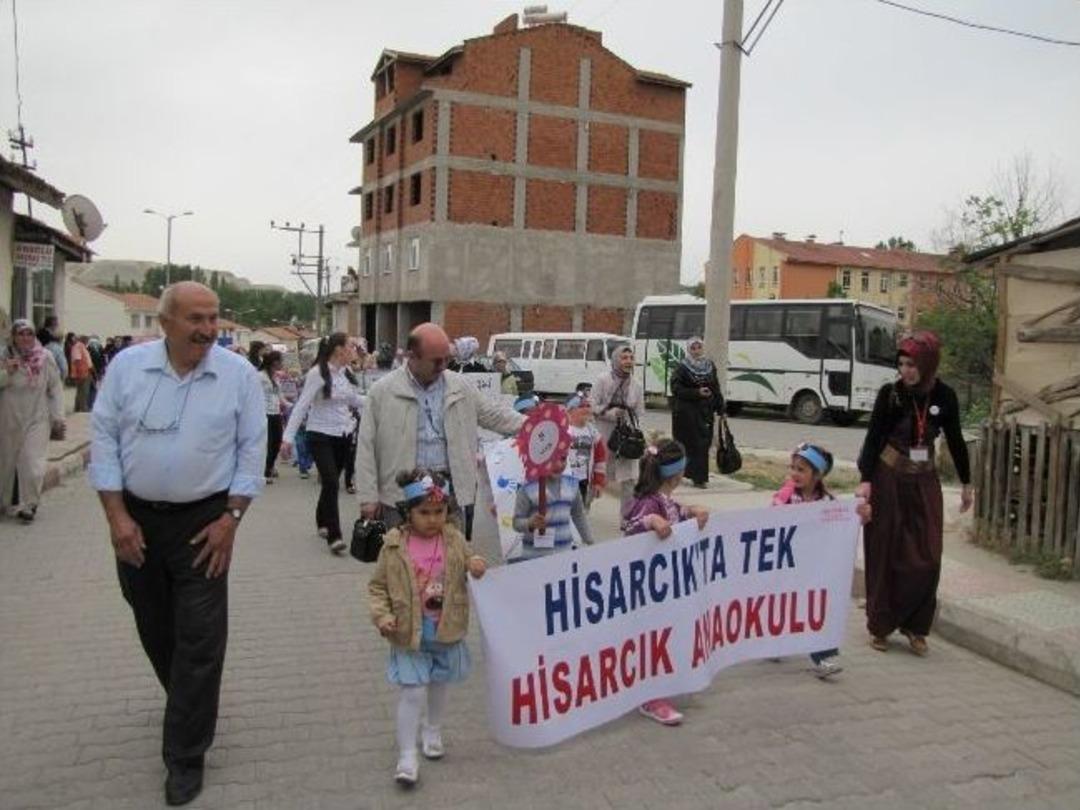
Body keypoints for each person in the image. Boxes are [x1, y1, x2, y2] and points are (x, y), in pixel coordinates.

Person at [88, 282, 266, 806]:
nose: (208, 330)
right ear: (165, 322)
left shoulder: (238, 377)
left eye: (214, 319)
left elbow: (251, 450)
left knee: (201, 638)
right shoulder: (126, 368)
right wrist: (116, 516)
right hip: (136, 522)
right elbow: (103, 440)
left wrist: (232, 518)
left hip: (206, 523)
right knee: (154, 624)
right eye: (196, 319)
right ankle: (187, 701)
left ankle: (185, 756)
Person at [856, 330, 973, 656]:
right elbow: (874, 436)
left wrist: (967, 483)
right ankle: (880, 626)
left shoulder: (945, 396)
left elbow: (956, 440)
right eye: (902, 363)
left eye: (912, 364)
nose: (905, 371)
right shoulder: (890, 394)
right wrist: (866, 479)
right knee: (885, 551)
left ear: (928, 364)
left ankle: (915, 627)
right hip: (888, 478)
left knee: (928, 555)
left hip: (924, 481)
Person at [368, 469, 487, 787]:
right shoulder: (393, 545)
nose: (432, 519)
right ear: (407, 513)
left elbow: (470, 561)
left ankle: (432, 729)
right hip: (408, 633)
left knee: (439, 685)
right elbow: (377, 588)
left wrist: (476, 565)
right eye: (424, 513)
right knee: (413, 691)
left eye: (439, 512)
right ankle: (407, 755)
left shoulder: (454, 540)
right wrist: (382, 617)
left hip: (446, 629)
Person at [357, 323, 524, 533]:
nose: (443, 366)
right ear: (412, 356)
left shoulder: (461, 386)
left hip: (449, 494)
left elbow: (494, 415)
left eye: (447, 359)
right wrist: (368, 497)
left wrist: (537, 425)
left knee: (452, 560)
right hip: (402, 497)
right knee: (405, 562)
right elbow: (365, 447)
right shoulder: (382, 391)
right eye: (436, 361)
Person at [622, 439, 709, 725]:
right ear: (678, 473)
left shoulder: (665, 500)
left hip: (666, 588)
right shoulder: (648, 503)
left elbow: (674, 513)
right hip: (647, 590)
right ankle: (649, 697)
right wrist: (649, 523)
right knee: (651, 639)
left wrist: (691, 511)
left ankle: (662, 685)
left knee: (666, 636)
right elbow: (631, 528)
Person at [771, 443, 871, 679]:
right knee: (783, 606)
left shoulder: (827, 502)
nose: (795, 473)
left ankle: (823, 656)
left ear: (817, 474)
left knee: (815, 610)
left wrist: (860, 517)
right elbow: (769, 521)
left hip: (813, 570)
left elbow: (843, 526)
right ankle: (774, 642)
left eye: (802, 469)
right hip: (786, 565)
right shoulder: (785, 497)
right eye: (793, 468)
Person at [282, 333, 361, 554]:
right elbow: (301, 406)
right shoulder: (317, 373)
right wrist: (287, 439)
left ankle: (322, 520)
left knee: (331, 481)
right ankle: (335, 536)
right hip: (320, 434)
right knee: (331, 482)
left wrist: (378, 399)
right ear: (338, 349)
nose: (354, 350)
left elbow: (354, 400)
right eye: (351, 346)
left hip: (344, 433)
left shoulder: (347, 372)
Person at [0, 319, 65, 523]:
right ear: (13, 337)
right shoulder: (4, 356)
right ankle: (5, 502)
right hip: (8, 417)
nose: (25, 338)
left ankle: (30, 504)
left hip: (37, 417)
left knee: (32, 461)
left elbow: (55, 388)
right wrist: (6, 372)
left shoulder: (45, 358)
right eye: (21, 334)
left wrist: (58, 417)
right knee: (6, 462)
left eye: (29, 333)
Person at [511, 419, 594, 562]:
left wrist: (590, 542)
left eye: (563, 459)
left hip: (565, 556)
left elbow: (579, 515)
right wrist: (530, 523)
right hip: (534, 559)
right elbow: (516, 522)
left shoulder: (572, 484)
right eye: (552, 459)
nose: (558, 464)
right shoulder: (528, 487)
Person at [592, 344, 645, 511]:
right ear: (616, 359)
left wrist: (637, 433)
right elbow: (592, 405)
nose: (628, 361)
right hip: (606, 436)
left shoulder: (636, 384)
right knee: (597, 475)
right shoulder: (603, 380)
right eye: (624, 358)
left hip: (626, 439)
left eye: (631, 358)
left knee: (629, 479)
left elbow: (639, 412)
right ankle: (583, 511)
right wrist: (609, 413)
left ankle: (627, 519)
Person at [670, 337, 724, 488]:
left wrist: (721, 407)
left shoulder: (709, 366)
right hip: (686, 413)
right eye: (693, 348)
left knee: (702, 445)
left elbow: (715, 386)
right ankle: (678, 474)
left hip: (704, 411)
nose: (696, 351)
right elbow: (676, 389)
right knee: (685, 445)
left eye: (698, 348)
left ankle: (699, 478)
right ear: (688, 350)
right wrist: (697, 392)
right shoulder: (681, 368)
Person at [565, 393, 607, 510]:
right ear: (570, 410)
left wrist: (598, 482)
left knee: (581, 512)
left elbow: (600, 459)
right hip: (564, 480)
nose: (586, 409)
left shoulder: (593, 433)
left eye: (588, 406)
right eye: (581, 406)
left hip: (583, 481)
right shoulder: (562, 430)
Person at [258, 351, 287, 484]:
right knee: (269, 443)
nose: (282, 363)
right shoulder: (260, 376)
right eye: (280, 361)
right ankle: (266, 471)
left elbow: (279, 395)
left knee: (277, 442)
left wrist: (290, 405)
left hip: (276, 413)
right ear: (274, 362)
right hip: (264, 413)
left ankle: (269, 467)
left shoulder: (275, 377)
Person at [36, 315, 68, 380]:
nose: (57, 325)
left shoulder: (45, 333)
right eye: (56, 323)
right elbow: (63, 367)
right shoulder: (45, 334)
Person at [69, 334, 94, 412]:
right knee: (84, 391)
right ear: (84, 340)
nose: (88, 342)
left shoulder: (81, 346)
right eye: (87, 340)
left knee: (81, 390)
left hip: (85, 371)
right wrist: (82, 372)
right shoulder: (78, 347)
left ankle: (78, 407)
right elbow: (77, 360)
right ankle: (83, 407)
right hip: (83, 372)